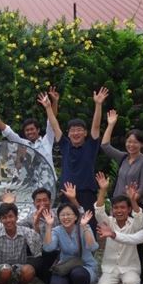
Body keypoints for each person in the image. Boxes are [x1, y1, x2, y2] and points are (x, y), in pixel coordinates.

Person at [39, 87, 108, 231]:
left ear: (85, 133)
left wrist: (98, 104)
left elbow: (96, 125)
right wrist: (48, 107)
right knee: (67, 226)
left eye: (79, 130)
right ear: (68, 134)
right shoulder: (65, 145)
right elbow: (54, 125)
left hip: (87, 193)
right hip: (66, 193)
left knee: (87, 226)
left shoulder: (91, 145)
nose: (76, 133)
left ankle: (88, 252)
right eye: (73, 130)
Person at [0, 86, 60, 177]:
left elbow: (51, 121)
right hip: (33, 186)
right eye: (27, 130)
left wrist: (54, 102)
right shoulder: (23, 144)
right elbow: (8, 132)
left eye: (32, 129)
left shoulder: (47, 140)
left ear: (38, 130)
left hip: (50, 183)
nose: (29, 132)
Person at [94, 173, 143, 284]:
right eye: (116, 208)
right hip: (111, 267)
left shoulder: (134, 224)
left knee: (132, 283)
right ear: (112, 209)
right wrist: (103, 190)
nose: (119, 211)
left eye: (123, 207)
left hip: (130, 267)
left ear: (128, 209)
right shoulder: (108, 223)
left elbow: (140, 218)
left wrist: (133, 200)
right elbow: (99, 211)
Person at [42, 204, 98, 284]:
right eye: (62, 215)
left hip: (85, 266)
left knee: (78, 274)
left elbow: (93, 247)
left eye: (69, 214)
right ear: (58, 217)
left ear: (76, 217)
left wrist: (85, 227)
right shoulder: (57, 231)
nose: (65, 217)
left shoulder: (84, 227)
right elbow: (48, 248)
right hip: (66, 267)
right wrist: (49, 226)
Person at [0, 203, 41, 284]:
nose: (8, 220)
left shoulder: (25, 231)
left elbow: (36, 250)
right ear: (0, 220)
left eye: (11, 216)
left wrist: (35, 225)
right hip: (2, 267)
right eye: (4, 217)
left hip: (20, 267)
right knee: (5, 270)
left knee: (29, 270)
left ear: (16, 217)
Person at [101, 110, 143, 202]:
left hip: (132, 206)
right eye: (129, 142)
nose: (131, 145)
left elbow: (142, 189)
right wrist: (111, 125)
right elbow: (105, 146)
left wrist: (128, 204)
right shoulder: (123, 157)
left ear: (142, 144)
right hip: (117, 205)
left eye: (135, 142)